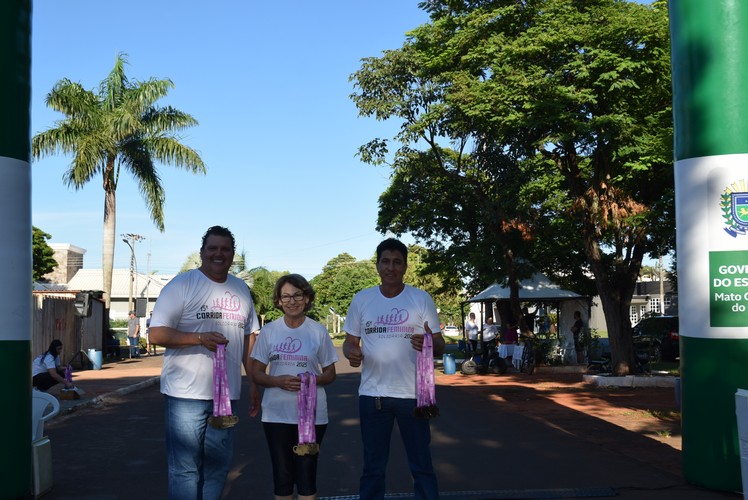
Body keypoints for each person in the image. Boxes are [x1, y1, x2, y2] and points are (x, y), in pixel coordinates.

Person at [148, 225, 261, 500]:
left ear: (233, 254)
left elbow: (249, 338)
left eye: (225, 249)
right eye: (213, 248)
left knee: (218, 467)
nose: (218, 254)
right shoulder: (182, 285)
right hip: (185, 394)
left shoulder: (241, 289)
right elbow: (156, 333)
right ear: (202, 252)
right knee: (185, 469)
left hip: (227, 396)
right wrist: (199, 338)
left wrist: (255, 384)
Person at [342, 238, 445, 500]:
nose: (391, 267)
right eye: (385, 261)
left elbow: (440, 343)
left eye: (397, 262)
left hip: (413, 395)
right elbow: (350, 341)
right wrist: (351, 353)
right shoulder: (362, 299)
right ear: (377, 265)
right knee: (373, 467)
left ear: (405, 266)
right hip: (373, 395)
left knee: (421, 465)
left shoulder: (420, 299)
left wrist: (429, 342)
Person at [251, 274, 338, 500]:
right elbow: (256, 373)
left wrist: (312, 380)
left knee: (307, 476)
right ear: (278, 301)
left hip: (312, 415)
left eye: (297, 295)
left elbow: (330, 374)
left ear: (307, 298)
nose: (292, 301)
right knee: (283, 476)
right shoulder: (269, 331)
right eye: (286, 296)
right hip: (276, 414)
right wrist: (277, 381)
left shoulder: (318, 331)